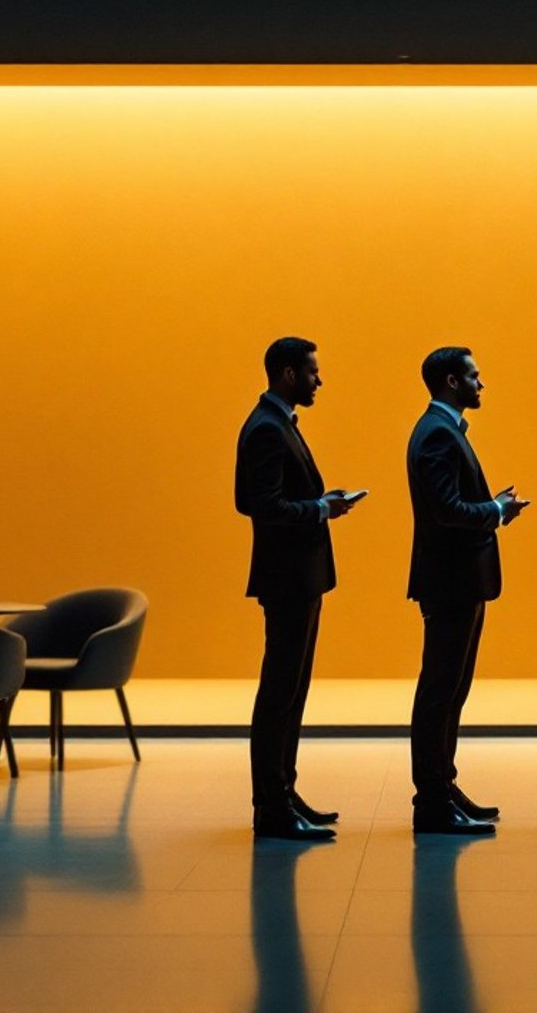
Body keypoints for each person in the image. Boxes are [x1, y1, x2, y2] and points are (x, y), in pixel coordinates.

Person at [235, 337, 359, 842]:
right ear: (288, 373)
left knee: (292, 690)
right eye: (312, 371)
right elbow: (259, 505)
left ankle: (284, 792)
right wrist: (321, 509)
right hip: (288, 578)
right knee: (280, 693)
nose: (318, 379)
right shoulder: (267, 427)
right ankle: (272, 805)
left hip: (298, 577)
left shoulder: (276, 421)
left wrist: (319, 502)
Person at [405, 346, 527, 835]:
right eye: (475, 377)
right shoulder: (437, 433)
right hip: (452, 582)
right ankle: (432, 800)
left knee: (450, 690)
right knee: (440, 691)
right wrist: (497, 512)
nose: (482, 384)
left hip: (457, 581)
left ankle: (442, 788)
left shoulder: (441, 429)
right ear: (452, 382)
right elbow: (447, 509)